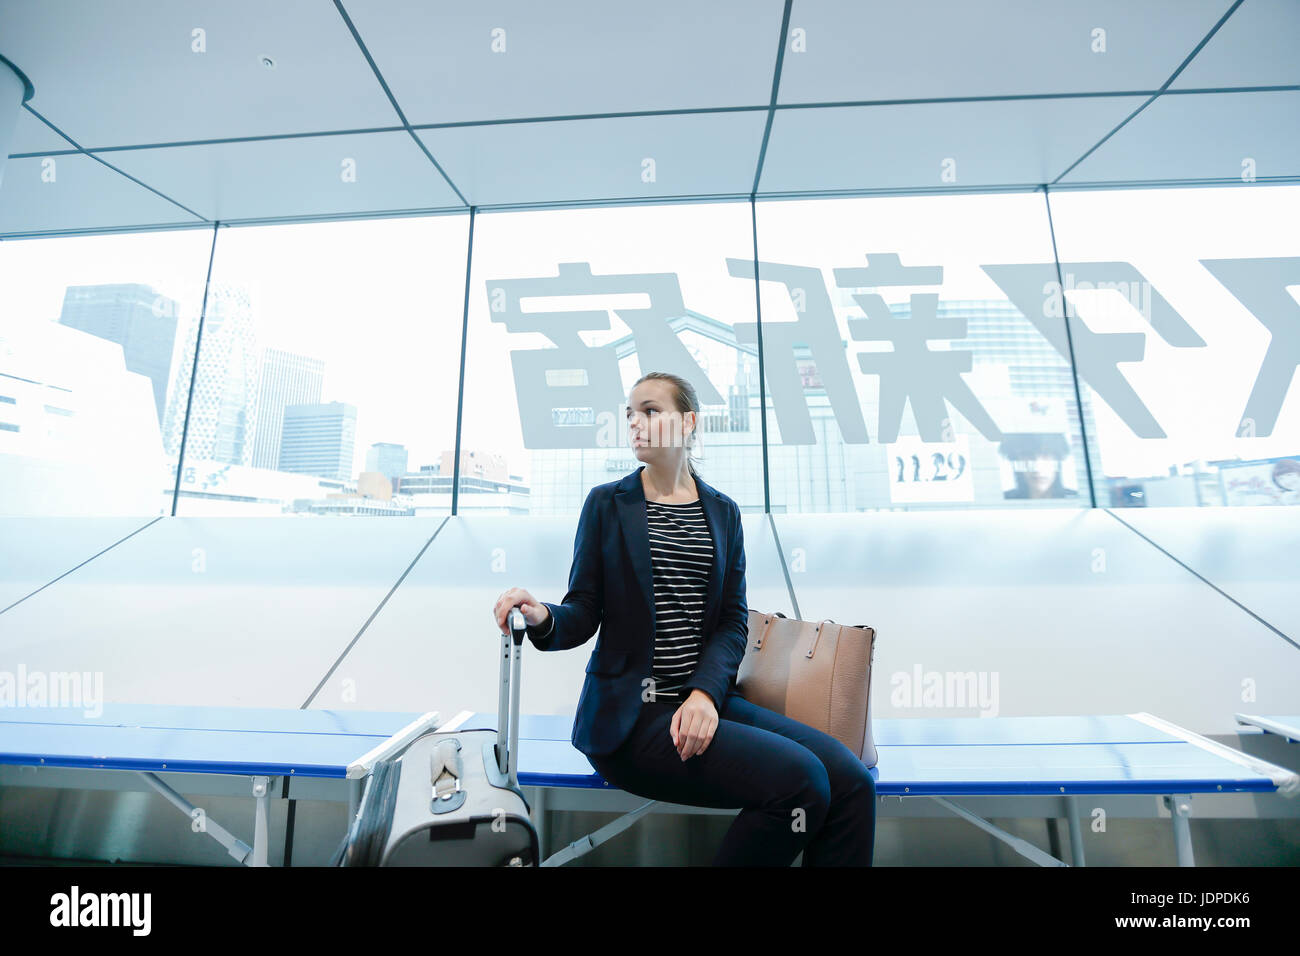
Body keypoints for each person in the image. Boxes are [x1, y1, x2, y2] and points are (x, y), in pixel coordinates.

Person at [492, 371, 876, 866]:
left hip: (707, 703)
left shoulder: (723, 513)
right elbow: (584, 611)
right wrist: (543, 616)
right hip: (633, 721)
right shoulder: (607, 505)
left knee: (852, 783)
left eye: (650, 411)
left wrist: (703, 695)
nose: (635, 422)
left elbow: (733, 621)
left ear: (688, 421)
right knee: (803, 784)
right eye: (630, 413)